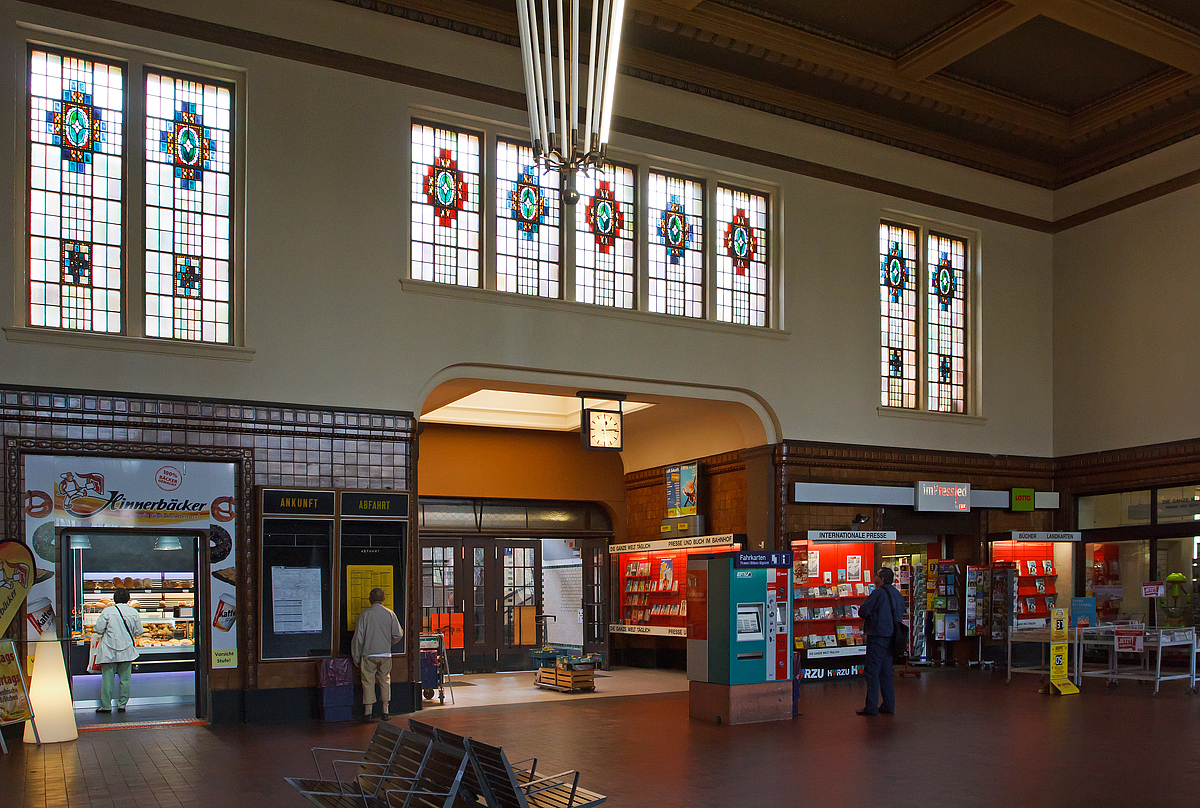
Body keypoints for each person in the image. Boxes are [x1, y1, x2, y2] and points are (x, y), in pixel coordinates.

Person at [856, 566, 906, 716]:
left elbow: (864, 611)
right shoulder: (898, 594)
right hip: (892, 637)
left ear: (882, 579)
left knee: (872, 671)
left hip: (878, 636)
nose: (874, 577)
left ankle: (871, 706)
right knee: (886, 672)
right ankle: (888, 704)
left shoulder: (878, 593)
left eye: (876, 575)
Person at [351, 587, 403, 722]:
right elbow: (398, 634)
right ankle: (385, 711)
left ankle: (368, 713)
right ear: (384, 599)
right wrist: (388, 643)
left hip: (368, 654)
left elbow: (358, 638)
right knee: (385, 680)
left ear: (370, 600)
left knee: (367, 682)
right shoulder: (390, 614)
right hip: (385, 654)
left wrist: (356, 656)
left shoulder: (365, 614)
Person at [92, 588, 143, 713]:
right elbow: (139, 632)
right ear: (128, 599)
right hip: (127, 650)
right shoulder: (133, 612)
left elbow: (98, 629)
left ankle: (106, 706)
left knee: (107, 680)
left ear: (114, 599)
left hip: (109, 650)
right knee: (125, 680)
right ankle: (122, 705)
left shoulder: (108, 611)